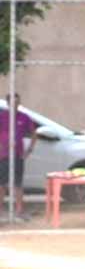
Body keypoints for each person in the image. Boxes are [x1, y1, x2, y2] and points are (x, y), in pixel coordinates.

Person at [0, 93, 36, 222]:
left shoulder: (24, 118)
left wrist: (29, 151)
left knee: (18, 184)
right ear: (8, 103)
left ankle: (19, 211)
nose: (14, 105)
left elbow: (33, 134)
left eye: (17, 102)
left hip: (18, 155)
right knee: (2, 184)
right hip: (3, 155)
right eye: (12, 102)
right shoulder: (2, 117)